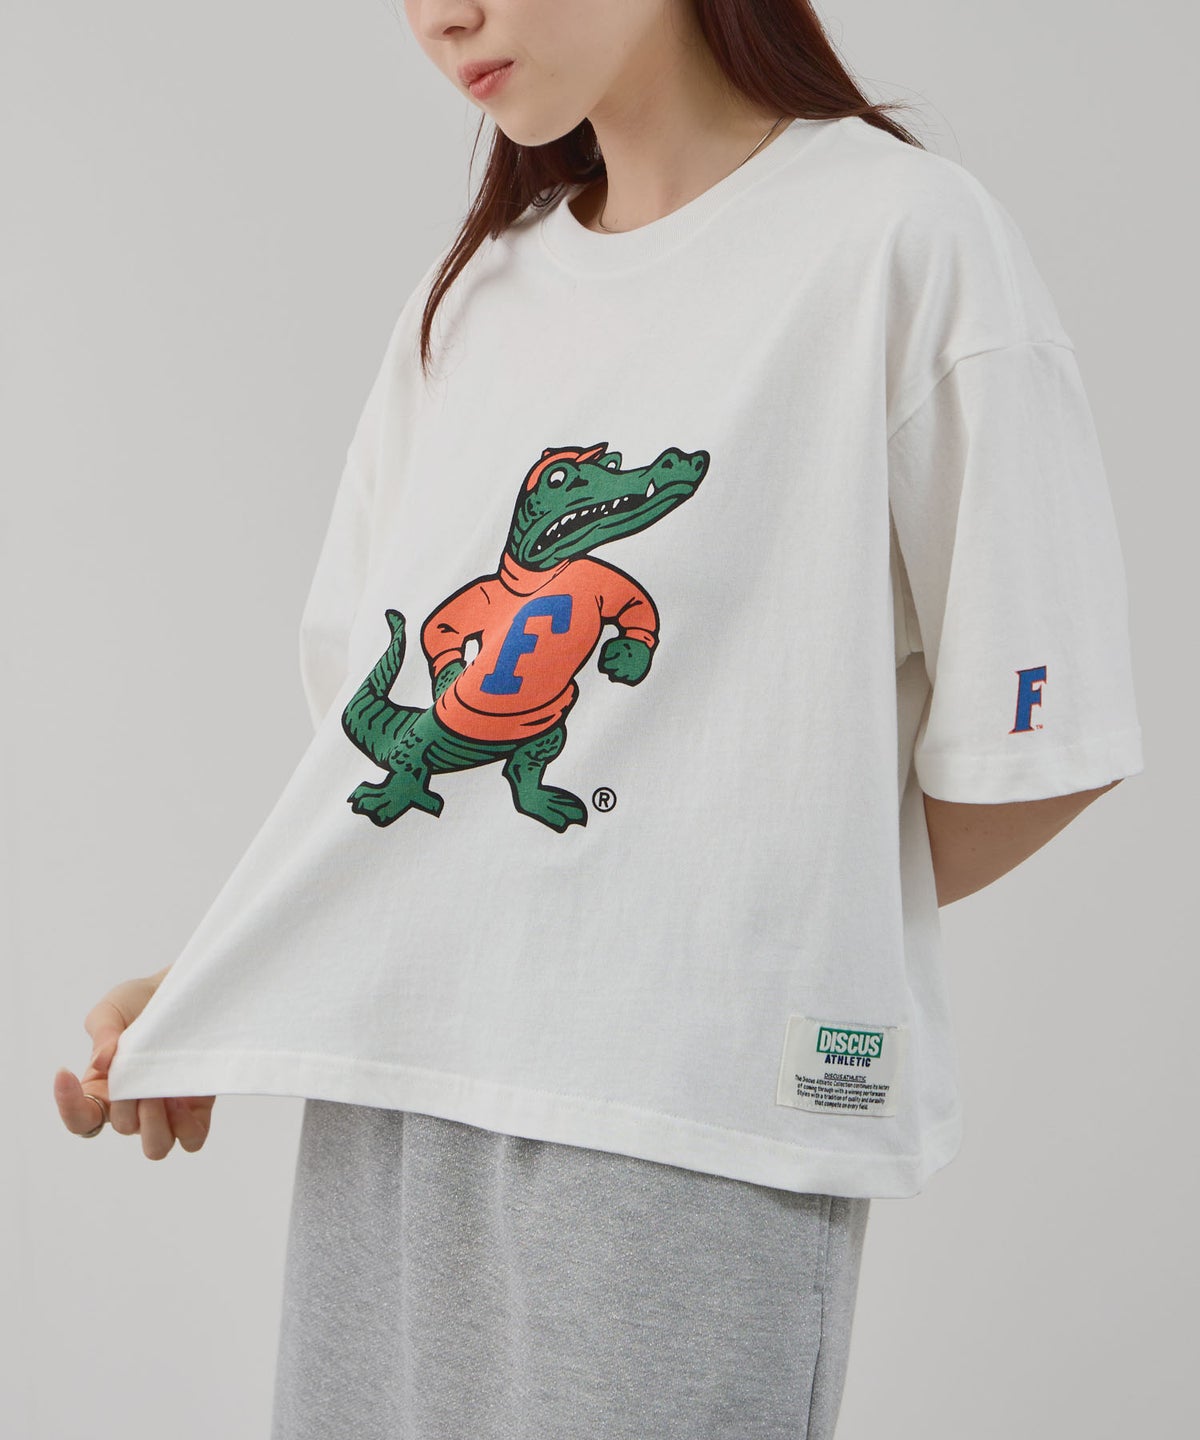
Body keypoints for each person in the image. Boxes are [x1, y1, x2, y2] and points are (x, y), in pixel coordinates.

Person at [53, 2, 1145, 1436]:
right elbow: (396, 792)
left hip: (683, 1130)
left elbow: (1036, 748)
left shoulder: (900, 242)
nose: (441, 16)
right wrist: (221, 983)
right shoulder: (471, 302)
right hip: (390, 1121)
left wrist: (718, 922)